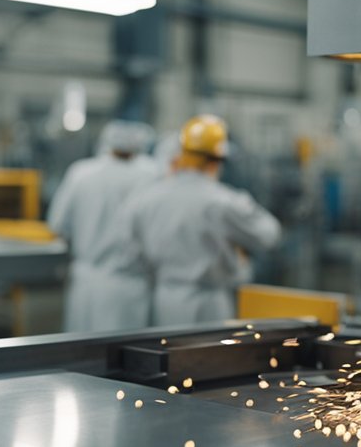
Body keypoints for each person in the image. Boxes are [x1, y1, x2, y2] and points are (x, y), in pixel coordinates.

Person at [118, 114, 281, 324]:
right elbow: (270, 234)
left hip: (164, 297)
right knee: (208, 355)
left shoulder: (147, 198)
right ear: (217, 160)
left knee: (169, 353)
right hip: (210, 303)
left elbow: (130, 250)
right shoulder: (224, 201)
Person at [48, 119, 159, 333]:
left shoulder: (81, 173)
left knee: (80, 354)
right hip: (129, 287)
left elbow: (58, 225)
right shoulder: (152, 175)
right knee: (123, 358)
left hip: (86, 283)